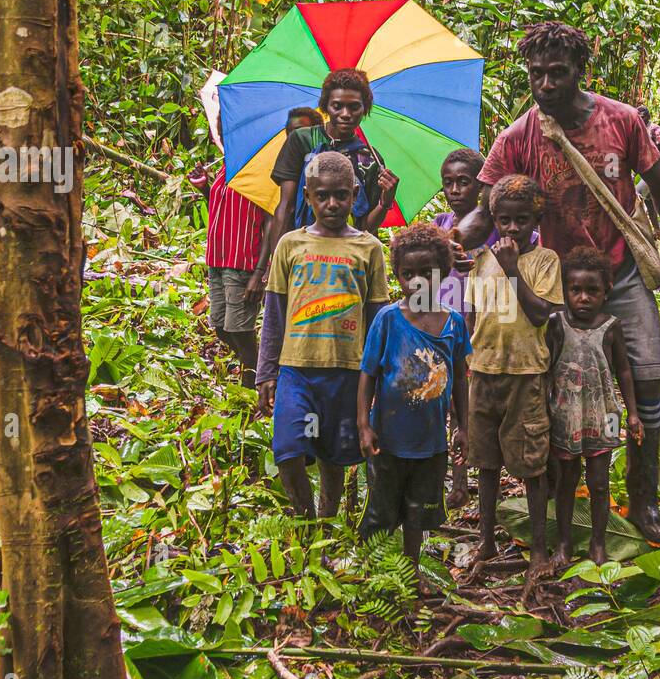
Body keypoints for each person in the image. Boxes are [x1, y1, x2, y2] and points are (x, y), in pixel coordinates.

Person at [455, 21, 660, 545]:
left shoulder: (621, 121)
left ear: (579, 73)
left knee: (647, 384)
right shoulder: (519, 137)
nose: (545, 85)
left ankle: (644, 501)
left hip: (621, 274)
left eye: (557, 74)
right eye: (536, 75)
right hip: (551, 287)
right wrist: (456, 243)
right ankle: (559, 511)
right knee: (548, 395)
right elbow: (485, 211)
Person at [256, 152, 391, 519]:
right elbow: (275, 313)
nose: (332, 204)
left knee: (333, 453)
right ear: (307, 195)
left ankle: (327, 523)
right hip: (297, 370)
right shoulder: (290, 245)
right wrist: (266, 372)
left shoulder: (369, 248)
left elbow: (377, 315)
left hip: (348, 371)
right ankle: (305, 517)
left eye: (342, 196)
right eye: (322, 196)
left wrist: (378, 374)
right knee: (288, 450)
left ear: (355, 193)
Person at [357, 223, 470, 594]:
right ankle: (376, 572)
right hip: (390, 439)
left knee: (417, 514)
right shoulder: (388, 319)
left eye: (428, 273)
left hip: (431, 442)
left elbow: (461, 380)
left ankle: (410, 569)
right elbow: (368, 373)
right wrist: (364, 424)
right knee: (382, 509)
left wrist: (463, 427)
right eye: (409, 274)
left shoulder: (453, 323)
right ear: (398, 275)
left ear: (443, 271)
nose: (417, 281)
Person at [464, 174, 563, 574]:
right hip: (484, 373)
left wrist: (512, 272)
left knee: (531, 466)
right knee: (486, 463)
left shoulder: (545, 261)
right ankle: (486, 541)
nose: (512, 228)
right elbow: (472, 316)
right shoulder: (481, 263)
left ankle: (538, 550)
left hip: (527, 374)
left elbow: (542, 313)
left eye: (521, 220)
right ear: (493, 219)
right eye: (504, 220)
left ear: (535, 220)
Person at [430, 147, 535, 510]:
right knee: (449, 406)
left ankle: (483, 475)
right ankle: (457, 483)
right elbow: (423, 279)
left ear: (480, 186)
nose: (455, 190)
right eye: (448, 183)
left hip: (484, 329)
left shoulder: (496, 227)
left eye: (464, 182)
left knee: (472, 410)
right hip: (444, 327)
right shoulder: (440, 226)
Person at [195, 108, 323, 387]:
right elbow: (224, 208)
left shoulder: (267, 170)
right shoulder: (227, 165)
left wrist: (260, 271)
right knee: (220, 326)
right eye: (222, 130)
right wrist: (205, 187)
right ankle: (254, 371)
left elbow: (271, 221)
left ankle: (257, 379)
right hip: (218, 256)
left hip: (243, 259)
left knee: (238, 328)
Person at [546, 247, 641, 566]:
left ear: (606, 292)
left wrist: (634, 414)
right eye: (576, 290)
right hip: (565, 415)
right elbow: (546, 368)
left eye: (592, 291)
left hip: (606, 415)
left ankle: (598, 543)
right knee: (566, 480)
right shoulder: (556, 323)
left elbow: (624, 370)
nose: (583, 298)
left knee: (599, 482)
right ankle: (564, 542)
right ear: (565, 291)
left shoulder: (611, 326)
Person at [260, 68, 400, 282]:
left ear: (365, 109)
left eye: (354, 107)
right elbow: (285, 206)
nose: (346, 114)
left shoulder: (370, 159)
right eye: (338, 106)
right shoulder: (302, 141)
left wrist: (385, 201)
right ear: (326, 106)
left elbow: (366, 228)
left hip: (347, 263)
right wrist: (278, 264)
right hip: (302, 255)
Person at [635, 106, 660, 234]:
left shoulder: (654, 129)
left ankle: (641, 230)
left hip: (654, 169)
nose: (640, 119)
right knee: (648, 201)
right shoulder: (638, 130)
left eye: (642, 117)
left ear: (648, 116)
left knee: (637, 195)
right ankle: (657, 231)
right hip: (642, 170)